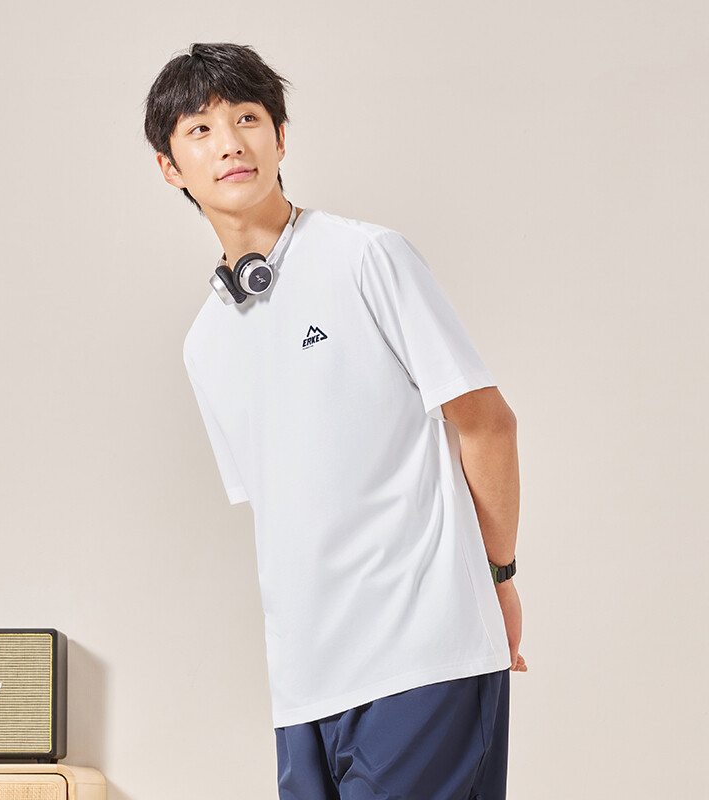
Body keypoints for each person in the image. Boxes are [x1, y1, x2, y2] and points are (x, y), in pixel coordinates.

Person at [143, 42, 527, 800]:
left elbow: (489, 424)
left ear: (280, 138)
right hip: (306, 692)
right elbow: (289, 510)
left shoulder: (367, 258)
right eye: (200, 129)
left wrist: (499, 578)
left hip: (424, 661)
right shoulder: (205, 344)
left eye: (247, 119)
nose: (230, 144)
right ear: (169, 167)